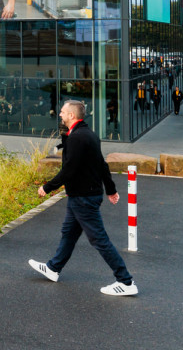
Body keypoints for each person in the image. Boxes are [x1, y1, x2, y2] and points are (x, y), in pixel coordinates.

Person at [29, 100, 136, 296]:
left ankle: (125, 281)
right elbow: (101, 165)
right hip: (82, 195)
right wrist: (110, 190)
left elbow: (69, 169)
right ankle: (54, 268)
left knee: (99, 239)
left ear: (71, 115)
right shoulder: (88, 135)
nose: (59, 115)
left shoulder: (77, 138)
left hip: (84, 198)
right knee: (69, 232)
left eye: (62, 112)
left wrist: (48, 187)